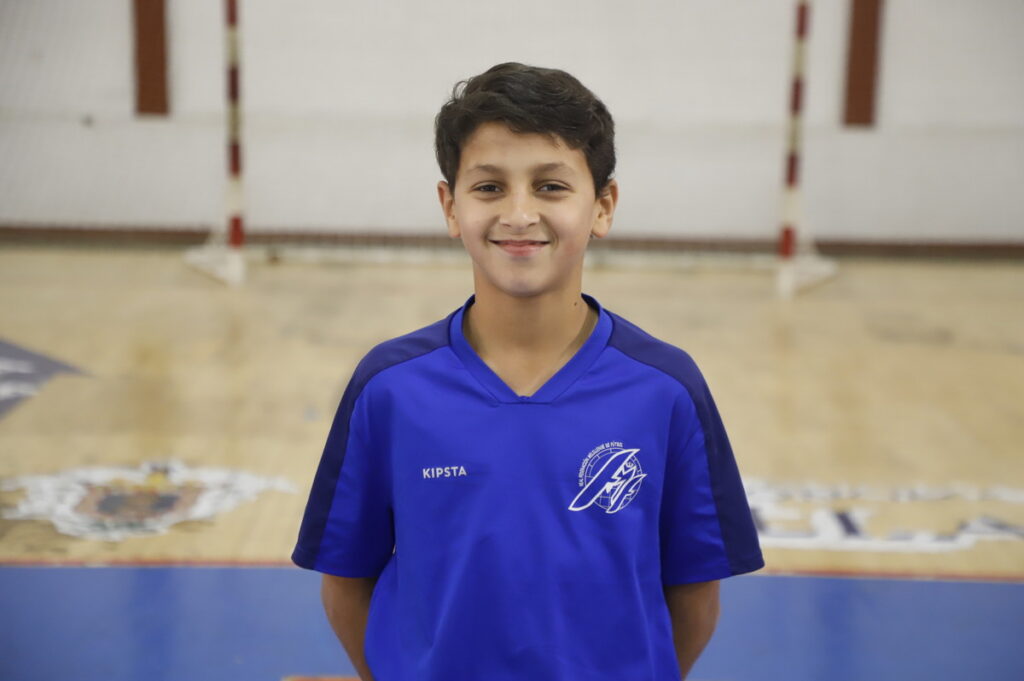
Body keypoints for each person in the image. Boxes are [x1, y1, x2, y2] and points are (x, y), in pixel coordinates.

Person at [292, 62, 764, 681]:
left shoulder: (666, 388)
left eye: (550, 187)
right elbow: (346, 583)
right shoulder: (390, 388)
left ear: (603, 205)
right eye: (489, 188)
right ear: (450, 205)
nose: (519, 214)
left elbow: (695, 597)